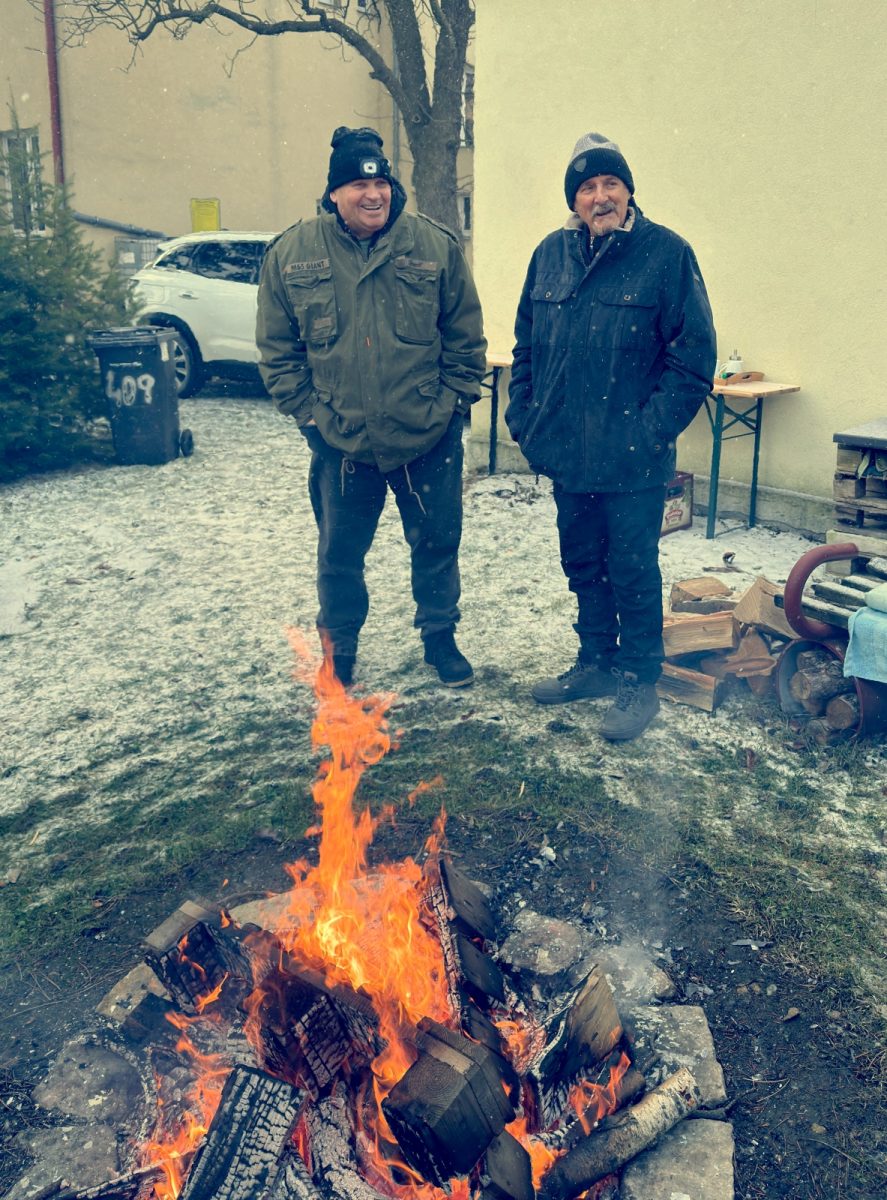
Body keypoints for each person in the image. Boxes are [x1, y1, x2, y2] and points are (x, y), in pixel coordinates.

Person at [257, 126, 486, 688]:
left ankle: (440, 639)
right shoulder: (292, 253)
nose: (373, 194)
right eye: (359, 185)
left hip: (425, 433)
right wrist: (309, 417)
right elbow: (278, 349)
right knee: (339, 557)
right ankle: (339, 652)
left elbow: (465, 338)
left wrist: (451, 406)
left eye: (380, 182)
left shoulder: (433, 245)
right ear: (334, 193)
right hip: (341, 439)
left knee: (437, 545)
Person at [506, 133, 716, 740]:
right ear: (574, 199)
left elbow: (692, 361)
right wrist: (525, 419)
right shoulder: (550, 255)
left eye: (611, 184)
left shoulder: (666, 254)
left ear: (628, 191)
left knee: (631, 570)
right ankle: (595, 663)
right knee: (582, 565)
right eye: (588, 187)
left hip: (633, 460)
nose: (600, 197)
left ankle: (638, 682)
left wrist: (648, 432)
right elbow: (526, 346)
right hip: (568, 455)